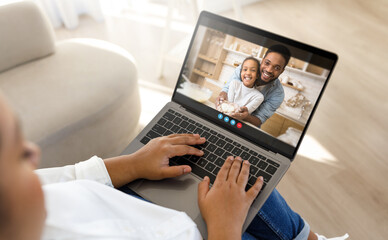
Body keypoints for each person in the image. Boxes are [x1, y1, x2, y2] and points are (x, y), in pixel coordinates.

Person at [0, 93, 348, 240]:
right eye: (18, 156)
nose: (34, 154)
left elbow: (67, 180)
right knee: (243, 183)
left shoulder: (25, 212)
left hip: (122, 199)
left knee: (233, 168)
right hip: (193, 232)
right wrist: (224, 228)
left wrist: (131, 164)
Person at [216, 44, 289, 127]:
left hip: (244, 127)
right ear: (262, 60)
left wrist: (246, 117)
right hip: (224, 117)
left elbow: (259, 120)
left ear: (282, 71)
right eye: (267, 63)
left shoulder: (278, 94)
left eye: (277, 68)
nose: (269, 70)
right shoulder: (245, 69)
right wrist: (221, 99)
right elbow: (226, 90)